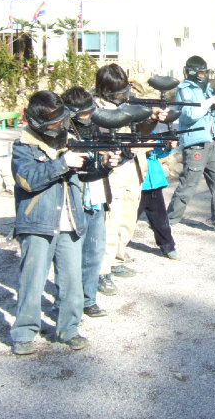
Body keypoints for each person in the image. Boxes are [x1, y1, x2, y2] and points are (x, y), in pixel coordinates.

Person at [10, 90, 90, 355]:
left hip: (71, 219)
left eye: (61, 120)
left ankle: (69, 328)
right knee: (32, 280)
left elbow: (89, 172)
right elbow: (27, 179)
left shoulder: (71, 139)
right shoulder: (23, 146)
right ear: (38, 123)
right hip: (37, 222)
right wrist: (62, 163)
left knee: (72, 280)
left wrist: (108, 162)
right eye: (54, 124)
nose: (60, 126)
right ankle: (24, 332)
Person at [93, 64, 167, 294]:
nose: (122, 96)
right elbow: (98, 140)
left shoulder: (129, 103)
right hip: (111, 172)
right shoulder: (95, 109)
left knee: (127, 219)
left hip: (134, 169)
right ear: (105, 90)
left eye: (123, 90)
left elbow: (142, 131)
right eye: (117, 93)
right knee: (110, 222)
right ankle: (101, 271)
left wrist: (152, 118)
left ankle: (117, 260)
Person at [166, 55, 215, 235]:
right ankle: (169, 220)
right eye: (200, 72)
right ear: (192, 72)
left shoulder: (209, 90)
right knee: (188, 185)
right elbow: (188, 114)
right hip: (196, 144)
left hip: (213, 143)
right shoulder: (184, 89)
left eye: (205, 72)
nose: (203, 75)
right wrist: (210, 102)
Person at [61, 86, 120, 318]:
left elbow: (104, 162)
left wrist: (111, 159)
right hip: (74, 201)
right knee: (70, 258)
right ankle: (66, 304)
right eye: (84, 113)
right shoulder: (62, 134)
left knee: (94, 253)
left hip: (97, 198)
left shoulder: (95, 129)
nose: (89, 116)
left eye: (90, 111)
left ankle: (89, 299)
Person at [138, 138, 180, 260]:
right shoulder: (126, 133)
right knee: (127, 221)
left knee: (161, 219)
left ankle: (168, 247)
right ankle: (115, 252)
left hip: (154, 182)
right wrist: (142, 149)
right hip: (137, 184)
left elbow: (159, 153)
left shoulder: (151, 134)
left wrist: (168, 147)